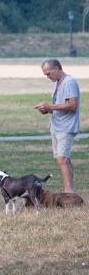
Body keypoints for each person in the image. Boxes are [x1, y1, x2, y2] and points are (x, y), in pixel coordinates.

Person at [36, 58, 80, 193]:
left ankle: (69, 193)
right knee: (64, 159)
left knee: (62, 159)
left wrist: (51, 106)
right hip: (56, 126)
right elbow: (60, 104)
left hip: (65, 127)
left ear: (56, 69)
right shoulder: (57, 83)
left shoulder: (69, 82)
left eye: (48, 73)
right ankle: (69, 191)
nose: (47, 77)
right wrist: (48, 110)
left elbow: (73, 105)